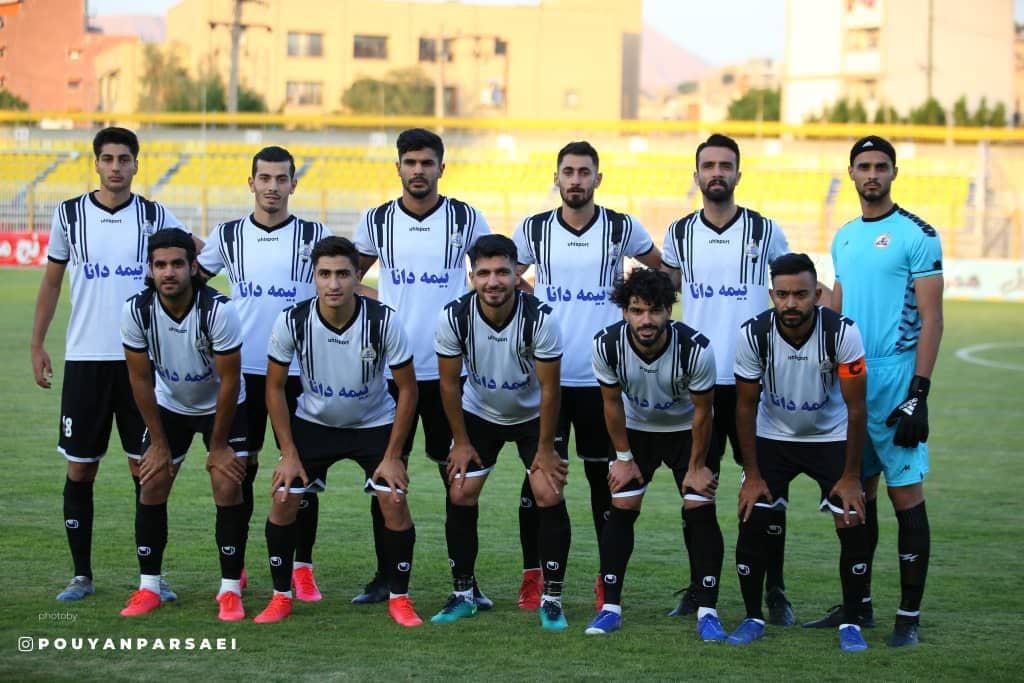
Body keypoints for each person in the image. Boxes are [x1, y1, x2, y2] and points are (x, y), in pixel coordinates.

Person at [31, 127, 194, 602]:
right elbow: (52, 282)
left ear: (136, 165)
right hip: (86, 361)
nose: (116, 167)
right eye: (108, 159)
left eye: (125, 159)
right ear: (97, 163)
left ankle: (152, 578)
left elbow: (194, 258)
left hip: (141, 363)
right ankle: (81, 576)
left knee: (148, 472)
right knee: (80, 470)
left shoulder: (154, 215)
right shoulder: (69, 214)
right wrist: (37, 344)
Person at [512, 140, 661, 610]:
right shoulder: (533, 229)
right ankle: (534, 576)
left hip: (604, 381)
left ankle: (605, 579)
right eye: (568, 172)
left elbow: (662, 274)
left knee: (605, 483)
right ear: (556, 178)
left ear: (598, 178)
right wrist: (533, 302)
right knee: (540, 482)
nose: (575, 180)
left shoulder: (621, 226)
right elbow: (504, 278)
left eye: (583, 172)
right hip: (549, 380)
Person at [808, 136, 943, 648]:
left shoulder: (917, 235)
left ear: (893, 173)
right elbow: (837, 310)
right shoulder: (844, 237)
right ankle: (857, 606)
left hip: (896, 377)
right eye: (863, 166)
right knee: (853, 495)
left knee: (905, 494)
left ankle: (908, 617)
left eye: (880, 166)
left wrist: (919, 393)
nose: (872, 174)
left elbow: (932, 319)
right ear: (851, 173)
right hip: (851, 379)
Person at [660, 133, 797, 624]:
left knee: (767, 488)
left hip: (755, 380)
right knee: (696, 487)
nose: (716, 172)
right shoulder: (678, 234)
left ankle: (775, 591)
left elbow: (792, 291)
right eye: (709, 165)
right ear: (696, 174)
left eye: (725, 165)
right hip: (698, 381)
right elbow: (663, 300)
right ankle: (700, 588)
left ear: (738, 173)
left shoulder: (765, 230)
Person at [354, 128, 493, 608]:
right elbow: (348, 279)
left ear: (441, 168)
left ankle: (466, 581)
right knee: (385, 476)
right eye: (410, 162)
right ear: (398, 167)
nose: (418, 170)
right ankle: (385, 577)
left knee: (459, 481)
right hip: (391, 374)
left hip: (451, 373)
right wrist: (380, 307)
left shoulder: (466, 218)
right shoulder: (375, 220)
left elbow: (492, 274)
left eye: (426, 162)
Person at [252, 236, 421, 627]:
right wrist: (288, 453)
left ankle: (399, 598)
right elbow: (274, 387)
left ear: (357, 275)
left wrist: (393, 456)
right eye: (324, 274)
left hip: (373, 423)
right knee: (284, 498)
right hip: (315, 423)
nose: (333, 284)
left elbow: (408, 389)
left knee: (394, 501)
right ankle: (280, 597)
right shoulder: (292, 320)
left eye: (343, 274)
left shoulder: (383, 320)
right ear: (313, 276)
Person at [198, 146, 328, 601]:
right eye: (265, 178)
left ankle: (302, 568)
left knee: (302, 473)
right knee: (240, 470)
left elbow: (340, 284)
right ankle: (237, 567)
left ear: (294, 184)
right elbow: (194, 281)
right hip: (245, 370)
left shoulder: (314, 234)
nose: (272, 187)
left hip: (301, 371)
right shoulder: (227, 235)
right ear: (251, 182)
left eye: (281, 178)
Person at [730, 252, 871, 652]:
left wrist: (851, 476)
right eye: (783, 294)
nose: (791, 303)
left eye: (801, 294)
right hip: (773, 437)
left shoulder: (842, 333)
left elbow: (857, 408)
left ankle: (851, 621)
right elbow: (745, 407)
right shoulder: (753, 334)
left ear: (817, 294)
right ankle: (753, 617)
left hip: (830, 437)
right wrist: (752, 475)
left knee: (852, 520)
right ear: (771, 294)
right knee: (752, 517)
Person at [432, 235, 572, 631]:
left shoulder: (540, 319)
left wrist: (545, 449)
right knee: (460, 490)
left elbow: (550, 389)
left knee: (548, 492)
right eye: (484, 273)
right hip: (480, 413)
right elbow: (448, 384)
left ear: (516, 274)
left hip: (533, 416)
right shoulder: (454, 316)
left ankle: (552, 598)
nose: (493, 281)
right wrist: (461, 442)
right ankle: (463, 594)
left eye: (502, 272)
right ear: (472, 276)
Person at [119, 228, 249, 621]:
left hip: (222, 406)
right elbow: (140, 378)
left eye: (178, 263)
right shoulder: (136, 310)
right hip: (170, 405)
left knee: (227, 484)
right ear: (150, 269)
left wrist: (219, 446)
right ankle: (149, 587)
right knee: (152, 481)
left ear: (194, 267)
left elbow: (229, 381)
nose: (169, 272)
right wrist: (159, 444)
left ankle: (230, 589)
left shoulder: (218, 311)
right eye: (160, 265)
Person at [584, 269, 720, 639]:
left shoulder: (696, 349)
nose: (646, 320)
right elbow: (611, 404)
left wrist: (696, 466)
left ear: (669, 311)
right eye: (637, 310)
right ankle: (610, 608)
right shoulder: (606, 345)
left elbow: (704, 413)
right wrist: (623, 458)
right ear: (624, 312)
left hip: (687, 432)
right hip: (637, 431)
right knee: (622, 506)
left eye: (655, 310)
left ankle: (708, 611)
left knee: (699, 507)